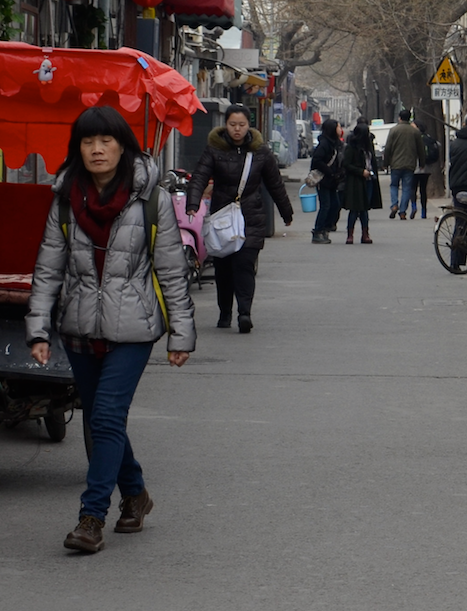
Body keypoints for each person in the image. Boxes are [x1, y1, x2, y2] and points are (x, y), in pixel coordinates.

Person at [26, 105, 196, 554]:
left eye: (106, 140)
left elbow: (172, 270)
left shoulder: (151, 199)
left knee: (103, 417)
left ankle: (91, 517)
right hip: (79, 327)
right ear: (76, 148)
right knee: (105, 420)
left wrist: (180, 333)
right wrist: (39, 330)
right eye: (87, 141)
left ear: (123, 146)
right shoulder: (65, 199)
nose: (97, 149)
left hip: (134, 328)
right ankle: (136, 495)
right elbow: (48, 269)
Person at [185, 104, 294, 333]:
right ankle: (225, 312)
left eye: (242, 125)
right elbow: (199, 178)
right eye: (233, 124)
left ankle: (244, 312)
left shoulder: (260, 152)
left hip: (250, 217)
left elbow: (275, 183)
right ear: (225, 124)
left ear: (249, 126)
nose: (237, 129)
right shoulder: (213, 150)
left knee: (244, 265)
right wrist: (193, 204)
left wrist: (286, 212)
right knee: (224, 268)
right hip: (222, 219)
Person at [382, 108, 425, 220]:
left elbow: (388, 148)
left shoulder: (393, 130)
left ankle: (394, 205)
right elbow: (421, 149)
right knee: (407, 187)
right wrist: (422, 162)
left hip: (395, 164)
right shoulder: (415, 132)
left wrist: (385, 163)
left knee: (394, 185)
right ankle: (402, 211)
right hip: (410, 164)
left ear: (399, 118)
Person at [307, 117, 344, 244]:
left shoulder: (336, 143)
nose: (340, 129)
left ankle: (325, 228)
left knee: (335, 204)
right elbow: (316, 161)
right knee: (326, 205)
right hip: (324, 180)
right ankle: (318, 231)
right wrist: (330, 172)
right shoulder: (325, 144)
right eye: (338, 127)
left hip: (333, 180)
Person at [342, 121, 377, 243]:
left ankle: (365, 233)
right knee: (355, 208)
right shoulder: (351, 148)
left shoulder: (368, 147)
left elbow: (372, 163)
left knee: (364, 209)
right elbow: (346, 164)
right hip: (355, 181)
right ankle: (350, 234)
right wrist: (360, 171)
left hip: (368, 181)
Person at [412, 119, 439, 220]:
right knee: (423, 189)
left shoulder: (414, 138)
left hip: (415, 166)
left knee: (413, 188)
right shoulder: (428, 138)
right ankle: (424, 211)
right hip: (427, 167)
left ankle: (413, 206)